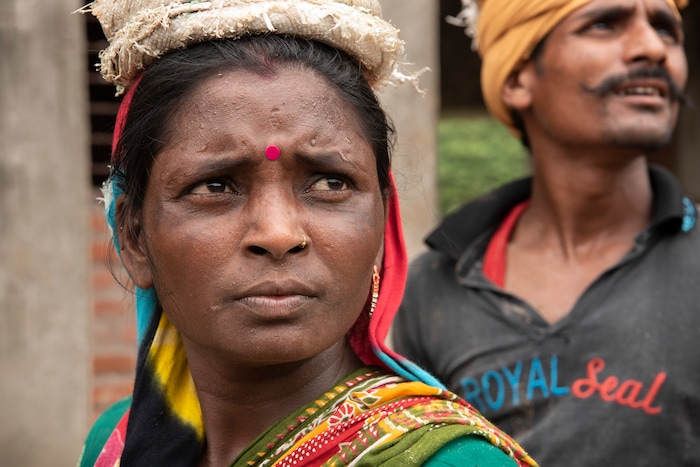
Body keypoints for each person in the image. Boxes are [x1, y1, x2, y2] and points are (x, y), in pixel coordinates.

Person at [77, 1, 538, 466]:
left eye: (330, 183)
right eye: (215, 186)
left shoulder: (454, 462)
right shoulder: (117, 444)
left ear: (382, 223)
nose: (278, 234)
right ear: (133, 236)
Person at [393, 0, 700, 465]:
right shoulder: (433, 288)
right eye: (603, 24)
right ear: (517, 79)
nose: (652, 48)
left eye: (666, 29)